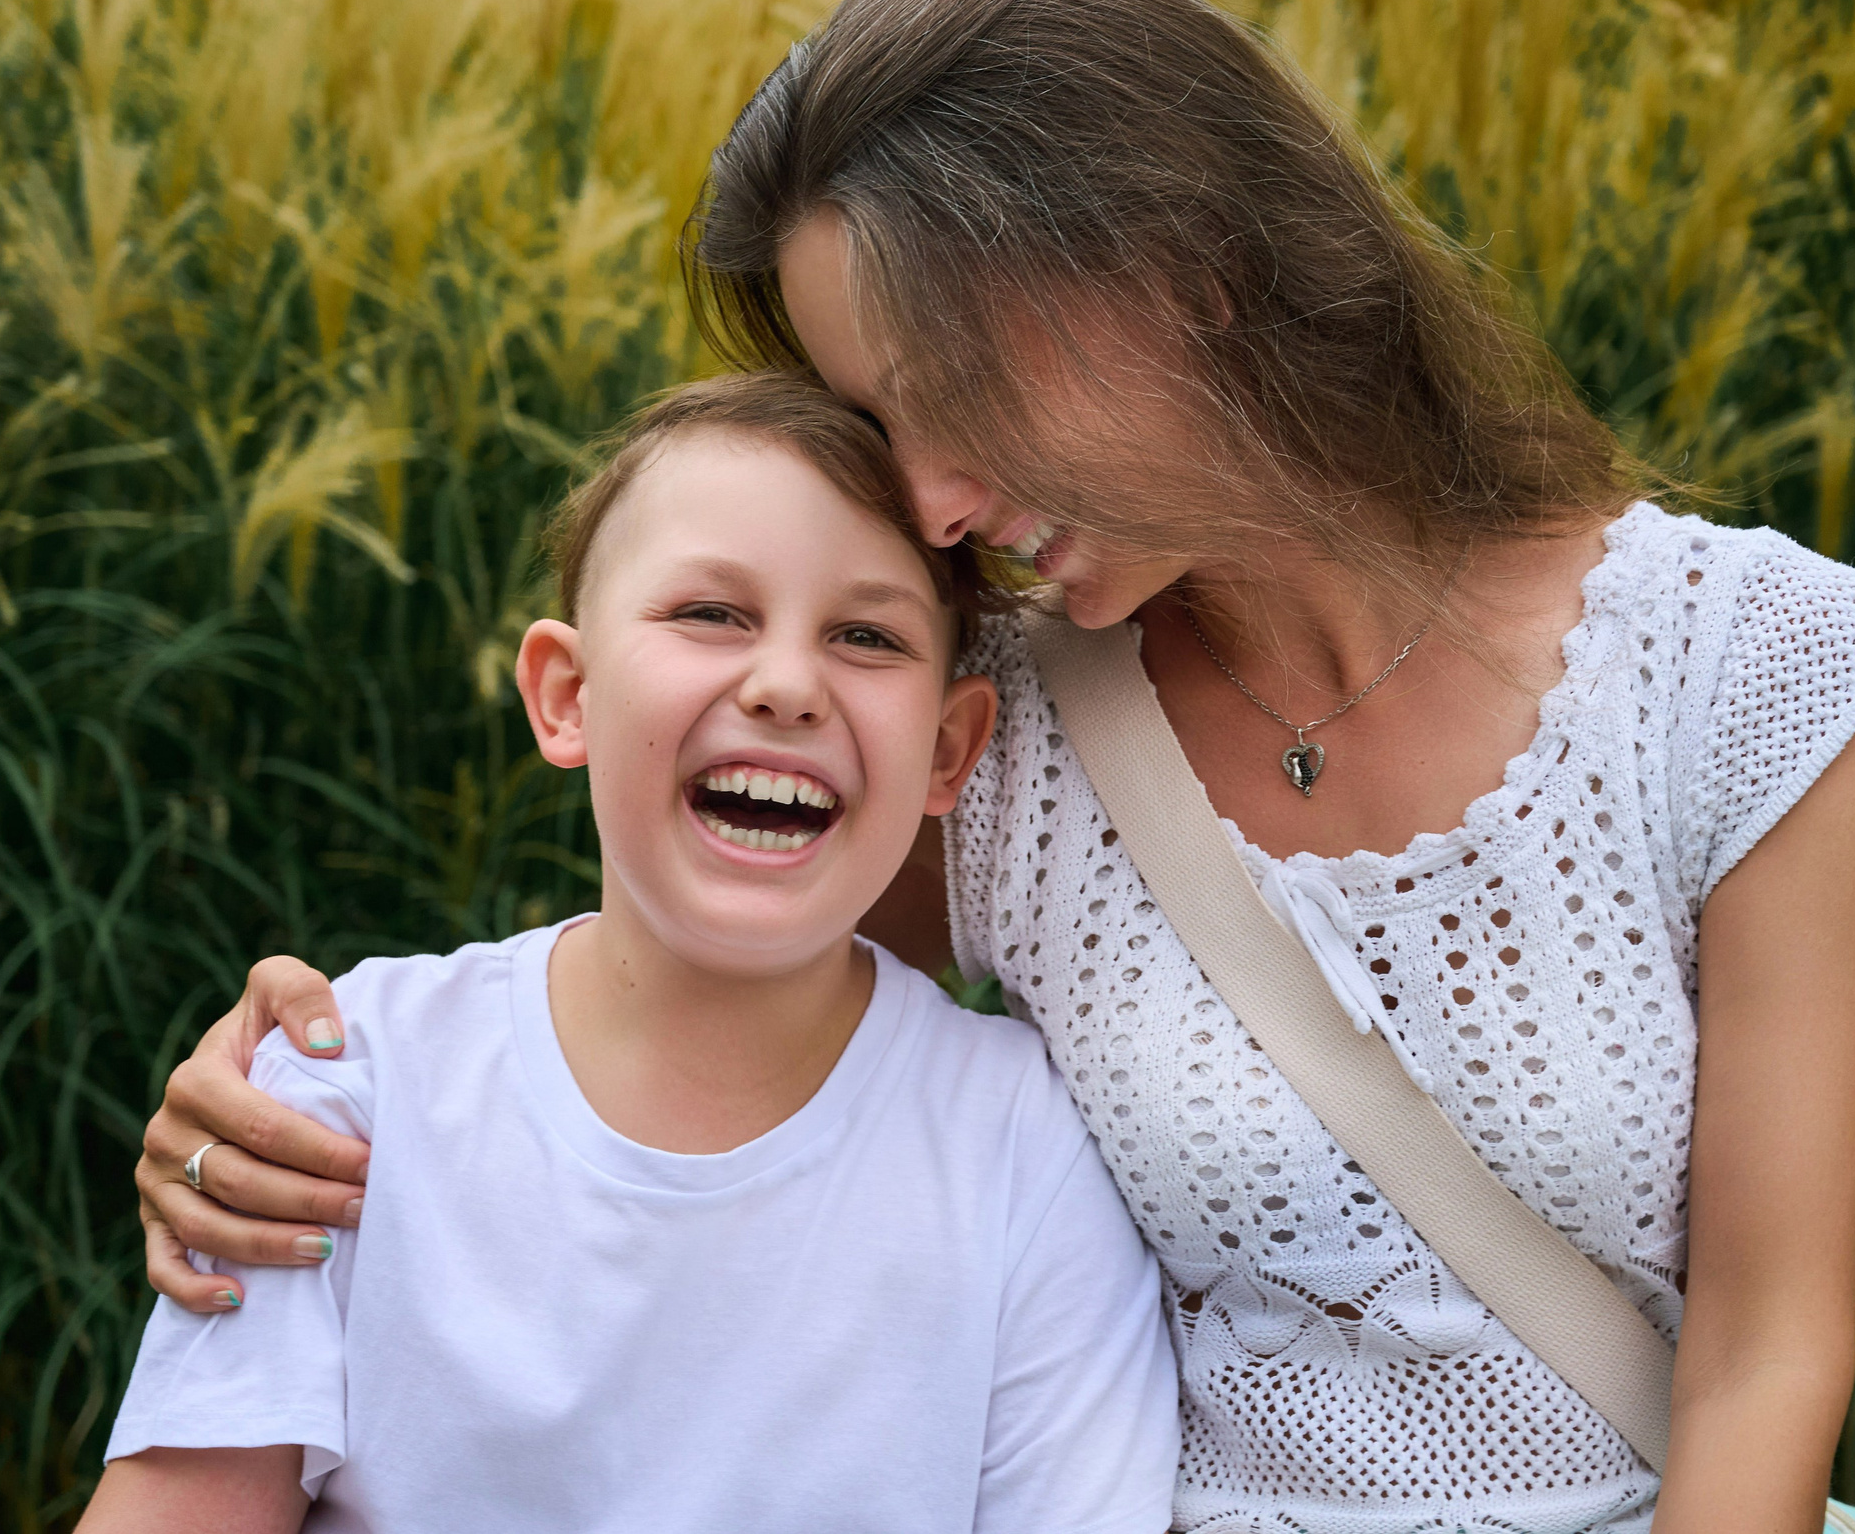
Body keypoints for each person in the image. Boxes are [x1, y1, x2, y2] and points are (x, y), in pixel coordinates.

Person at [135, 0, 1855, 1534]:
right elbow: (674, 994)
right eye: (875, 421)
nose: (930, 502)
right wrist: (297, 1090)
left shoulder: (1748, 668)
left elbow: (1769, 1357)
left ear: (1191, 269)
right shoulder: (987, 733)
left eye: (958, 395)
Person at [83, 373, 1181, 1534]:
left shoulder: (1025, 1151)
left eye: (866, 634)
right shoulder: (351, 1090)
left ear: (949, 749)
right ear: (566, 694)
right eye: (711, 613)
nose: (784, 684)